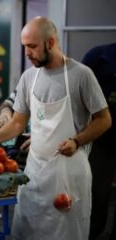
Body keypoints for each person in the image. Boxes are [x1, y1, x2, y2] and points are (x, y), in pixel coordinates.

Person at [0, 17, 111, 240]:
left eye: (32, 46)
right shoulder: (29, 77)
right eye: (25, 46)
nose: (27, 53)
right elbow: (16, 123)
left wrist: (77, 141)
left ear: (50, 43)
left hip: (69, 174)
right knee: (27, 229)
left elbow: (104, 119)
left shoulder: (81, 75)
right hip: (34, 172)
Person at [81, 43, 116, 240]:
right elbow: (78, 90)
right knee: (97, 192)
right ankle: (91, 232)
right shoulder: (100, 56)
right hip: (102, 139)